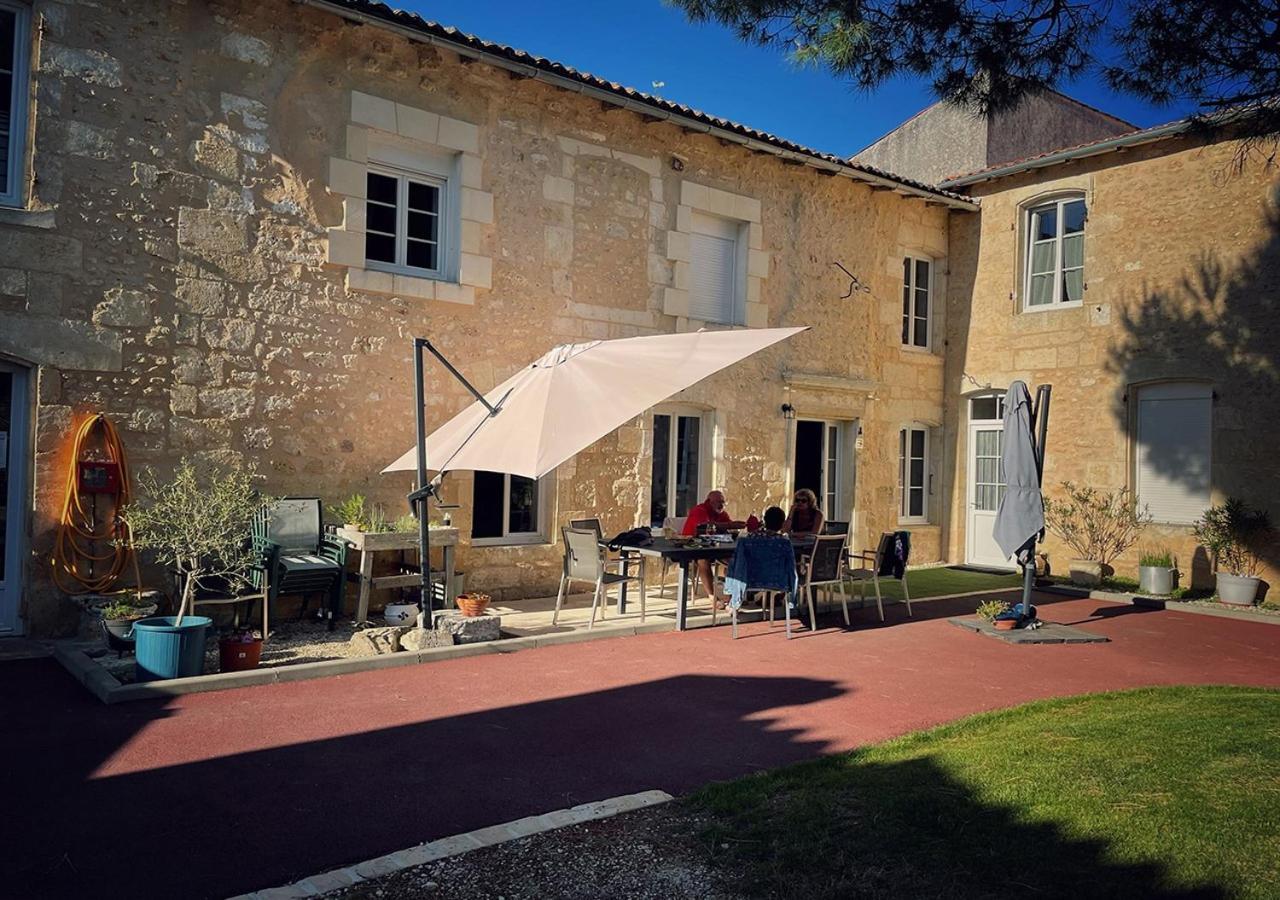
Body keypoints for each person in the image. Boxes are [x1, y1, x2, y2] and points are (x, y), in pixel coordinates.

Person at [682, 490, 746, 607]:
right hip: (692, 547)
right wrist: (730, 525)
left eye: (723, 502)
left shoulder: (722, 513)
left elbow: (729, 527)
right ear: (709, 502)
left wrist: (736, 527)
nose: (721, 505)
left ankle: (732, 593)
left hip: (715, 548)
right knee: (703, 559)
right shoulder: (699, 510)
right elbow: (705, 526)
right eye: (718, 502)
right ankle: (712, 596)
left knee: (734, 560)